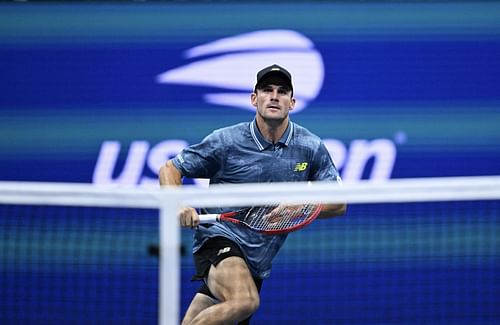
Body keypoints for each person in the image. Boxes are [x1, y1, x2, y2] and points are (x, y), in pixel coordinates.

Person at [159, 64, 346, 325]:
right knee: (245, 301)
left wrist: (306, 205)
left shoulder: (310, 147)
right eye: (267, 90)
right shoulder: (226, 141)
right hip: (219, 238)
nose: (274, 96)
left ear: (292, 102)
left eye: (282, 92)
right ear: (253, 98)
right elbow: (170, 169)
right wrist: (177, 204)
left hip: (257, 260)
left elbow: (339, 203)